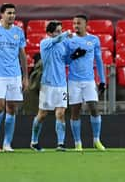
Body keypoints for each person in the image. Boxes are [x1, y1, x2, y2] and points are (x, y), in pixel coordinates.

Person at [0, 3, 29, 152]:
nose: (12, 16)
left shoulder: (18, 32)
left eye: (13, 13)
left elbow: (22, 55)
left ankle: (7, 143)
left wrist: (25, 76)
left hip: (15, 75)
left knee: (12, 108)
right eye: (9, 13)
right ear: (2, 14)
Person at [30, 21, 78, 152]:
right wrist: (66, 34)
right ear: (49, 33)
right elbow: (57, 39)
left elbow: (65, 60)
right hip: (47, 84)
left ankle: (61, 143)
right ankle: (34, 141)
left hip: (61, 84)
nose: (60, 33)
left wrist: (75, 55)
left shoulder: (62, 44)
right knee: (42, 114)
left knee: (61, 113)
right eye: (57, 31)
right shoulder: (45, 43)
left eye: (61, 30)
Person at [66, 14, 106, 151]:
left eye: (78, 23)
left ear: (85, 24)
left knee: (94, 108)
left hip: (89, 80)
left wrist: (102, 80)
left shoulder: (93, 40)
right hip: (73, 81)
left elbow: (99, 61)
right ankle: (78, 143)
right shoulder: (69, 40)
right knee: (75, 111)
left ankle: (96, 140)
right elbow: (65, 60)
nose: (76, 26)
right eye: (74, 23)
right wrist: (74, 55)